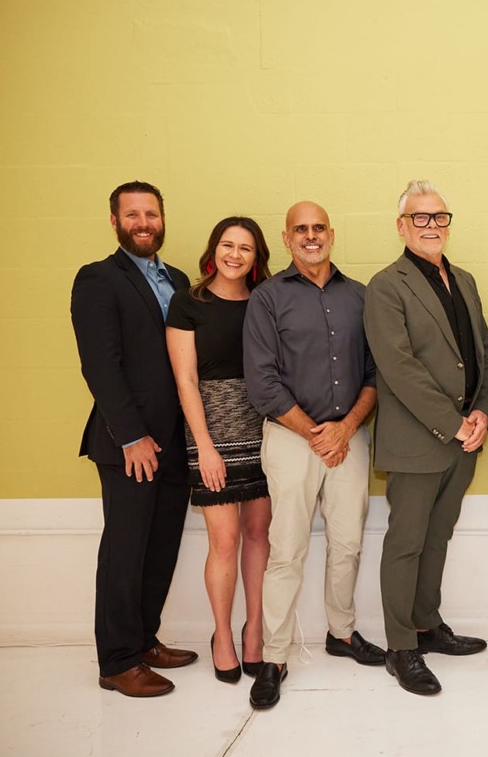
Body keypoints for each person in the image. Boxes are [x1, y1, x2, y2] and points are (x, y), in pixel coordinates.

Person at [243, 201, 381, 710]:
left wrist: (344, 429)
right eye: (300, 229)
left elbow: (374, 374)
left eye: (318, 227)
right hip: (289, 438)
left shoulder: (361, 297)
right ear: (286, 238)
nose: (310, 235)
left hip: (349, 436)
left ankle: (341, 634)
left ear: (332, 234)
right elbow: (261, 381)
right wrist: (315, 433)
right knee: (288, 549)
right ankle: (275, 656)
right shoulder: (267, 298)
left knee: (347, 542)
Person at [364, 181, 488, 696]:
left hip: (465, 440)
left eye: (439, 217)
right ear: (402, 226)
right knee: (406, 543)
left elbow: (482, 350)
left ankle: (426, 624)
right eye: (420, 218)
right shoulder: (386, 284)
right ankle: (401, 647)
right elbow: (398, 366)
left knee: (437, 537)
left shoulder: (462, 278)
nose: (431, 226)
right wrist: (455, 421)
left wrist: (484, 411)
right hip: (421, 440)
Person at [70, 180, 197, 697]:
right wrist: (131, 437)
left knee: (161, 545)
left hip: (175, 441)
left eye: (151, 214)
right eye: (132, 215)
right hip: (130, 445)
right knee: (125, 550)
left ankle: (145, 641)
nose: (143, 223)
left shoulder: (180, 279)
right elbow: (101, 366)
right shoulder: (98, 279)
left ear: (163, 218)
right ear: (115, 222)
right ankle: (117, 662)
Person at [165, 217, 273, 684]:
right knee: (224, 541)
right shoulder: (188, 302)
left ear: (256, 257)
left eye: (246, 248)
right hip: (212, 434)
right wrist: (205, 447)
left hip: (267, 430)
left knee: (258, 536)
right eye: (228, 245)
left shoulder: (267, 300)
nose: (235, 254)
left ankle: (254, 632)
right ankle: (222, 636)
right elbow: (186, 380)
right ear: (214, 250)